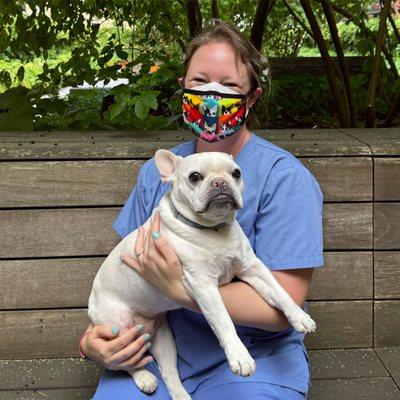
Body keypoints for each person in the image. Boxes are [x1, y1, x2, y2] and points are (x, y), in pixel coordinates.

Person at [80, 19, 324, 400]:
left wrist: (179, 289)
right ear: (183, 90)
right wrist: (93, 345)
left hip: (260, 356)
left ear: (252, 98)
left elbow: (284, 306)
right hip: (159, 351)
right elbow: (122, 277)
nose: (212, 95)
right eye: (200, 82)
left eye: (229, 85)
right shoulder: (158, 172)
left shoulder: (285, 178)